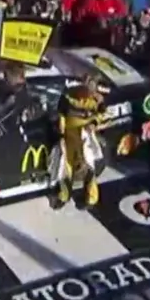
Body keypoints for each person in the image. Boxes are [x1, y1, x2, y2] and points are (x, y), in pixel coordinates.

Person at [52, 75, 106, 209]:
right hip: (69, 136)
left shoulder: (98, 100)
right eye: (86, 89)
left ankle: (91, 199)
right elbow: (61, 114)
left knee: (89, 167)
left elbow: (102, 114)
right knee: (65, 166)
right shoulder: (68, 97)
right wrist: (61, 133)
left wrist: (94, 123)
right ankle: (64, 196)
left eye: (91, 90)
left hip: (86, 136)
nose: (88, 93)